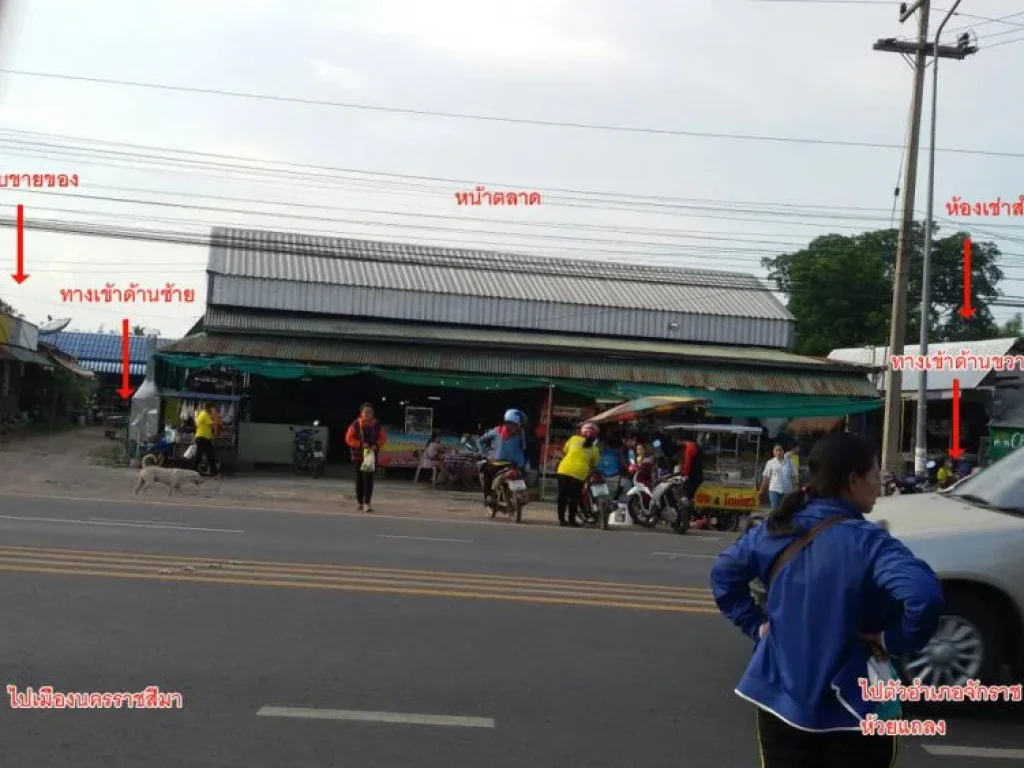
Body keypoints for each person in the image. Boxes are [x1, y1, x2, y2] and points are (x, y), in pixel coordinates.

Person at [710, 432, 943, 768]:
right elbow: (924, 596)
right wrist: (893, 639)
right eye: (876, 475)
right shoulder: (870, 543)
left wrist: (756, 625)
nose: (879, 484)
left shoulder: (776, 529)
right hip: (855, 709)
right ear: (853, 480)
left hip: (780, 707)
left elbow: (723, 574)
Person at [477, 409, 527, 510]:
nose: (520, 425)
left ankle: (488, 497)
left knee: (486, 472)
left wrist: (485, 453)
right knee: (521, 475)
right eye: (519, 423)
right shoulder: (521, 433)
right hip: (515, 464)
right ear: (515, 422)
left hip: (498, 464)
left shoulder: (497, 430)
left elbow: (479, 440)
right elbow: (524, 447)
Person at [555, 422, 601, 526]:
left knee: (562, 496)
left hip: (564, 469)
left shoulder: (573, 439)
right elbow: (594, 464)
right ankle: (572, 520)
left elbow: (565, 451)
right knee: (574, 497)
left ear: (582, 432)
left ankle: (562, 520)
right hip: (580, 472)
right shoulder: (595, 449)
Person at [345, 402, 386, 512]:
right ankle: (359, 503)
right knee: (359, 480)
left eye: (370, 412)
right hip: (357, 456)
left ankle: (367, 503)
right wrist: (360, 444)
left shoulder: (377, 425)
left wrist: (376, 445)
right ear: (361, 413)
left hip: (370, 457)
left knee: (369, 479)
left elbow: (383, 439)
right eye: (365, 412)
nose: (367, 414)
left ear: (373, 413)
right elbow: (348, 439)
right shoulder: (355, 424)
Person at [760, 444, 796, 511]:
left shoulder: (790, 462)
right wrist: (761, 490)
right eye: (776, 450)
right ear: (774, 452)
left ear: (783, 451)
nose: (778, 452)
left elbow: (793, 476)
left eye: (780, 450)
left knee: (786, 510)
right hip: (774, 490)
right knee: (775, 511)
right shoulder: (770, 463)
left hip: (787, 491)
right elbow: (766, 477)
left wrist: (795, 490)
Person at [193, 403, 219, 477]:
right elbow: (213, 424)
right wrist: (215, 417)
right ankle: (193, 471)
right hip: (202, 438)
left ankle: (214, 472)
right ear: (208, 408)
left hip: (205, 438)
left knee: (210, 455)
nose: (212, 410)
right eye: (212, 409)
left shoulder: (203, 414)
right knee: (200, 455)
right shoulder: (204, 414)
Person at [679, 433, 705, 506]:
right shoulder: (696, 446)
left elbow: (688, 463)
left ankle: (687, 509)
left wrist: (685, 475)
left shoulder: (690, 447)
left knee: (686, 495)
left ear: (682, 440)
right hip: (698, 474)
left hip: (693, 476)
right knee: (692, 495)